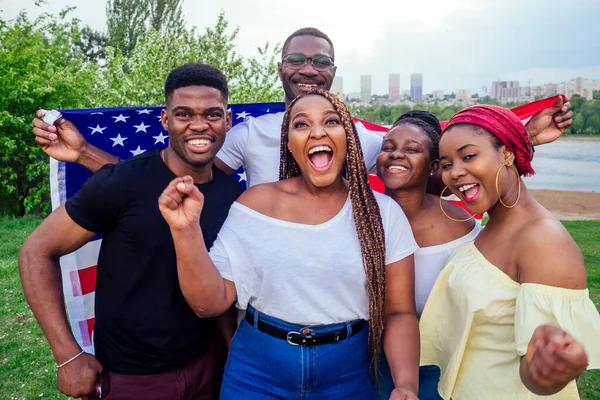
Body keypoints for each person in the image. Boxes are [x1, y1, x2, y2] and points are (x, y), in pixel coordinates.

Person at [31, 28, 574, 191]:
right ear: (281, 69)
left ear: (333, 73)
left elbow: (443, 173)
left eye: (321, 61)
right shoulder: (249, 135)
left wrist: (522, 134)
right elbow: (177, 179)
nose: (309, 68)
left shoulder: (360, 138)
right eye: (297, 59)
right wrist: (82, 156)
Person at [158, 89, 420, 399]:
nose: (317, 132)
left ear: (348, 136)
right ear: (289, 144)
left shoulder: (383, 214)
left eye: (331, 121)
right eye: (301, 124)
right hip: (256, 374)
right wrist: (185, 230)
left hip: (348, 375)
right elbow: (209, 304)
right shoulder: (255, 204)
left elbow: (399, 312)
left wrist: (405, 385)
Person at [19, 63, 243, 400]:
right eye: (183, 114)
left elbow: (224, 290)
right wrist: (67, 355)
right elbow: (36, 250)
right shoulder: (120, 182)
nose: (199, 125)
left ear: (227, 121)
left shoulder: (232, 196)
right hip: (130, 377)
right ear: (166, 120)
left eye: (212, 114)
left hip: (208, 369)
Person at [419, 104, 600, 399]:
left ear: (506, 153)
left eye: (468, 156)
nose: (455, 173)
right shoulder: (496, 222)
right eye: (447, 164)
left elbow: (537, 377)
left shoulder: (542, 240)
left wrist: (552, 368)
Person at [375, 111, 482, 400]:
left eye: (412, 149)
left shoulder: (461, 227)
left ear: (433, 165)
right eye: (388, 147)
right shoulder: (359, 215)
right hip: (360, 363)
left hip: (435, 368)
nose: (397, 155)